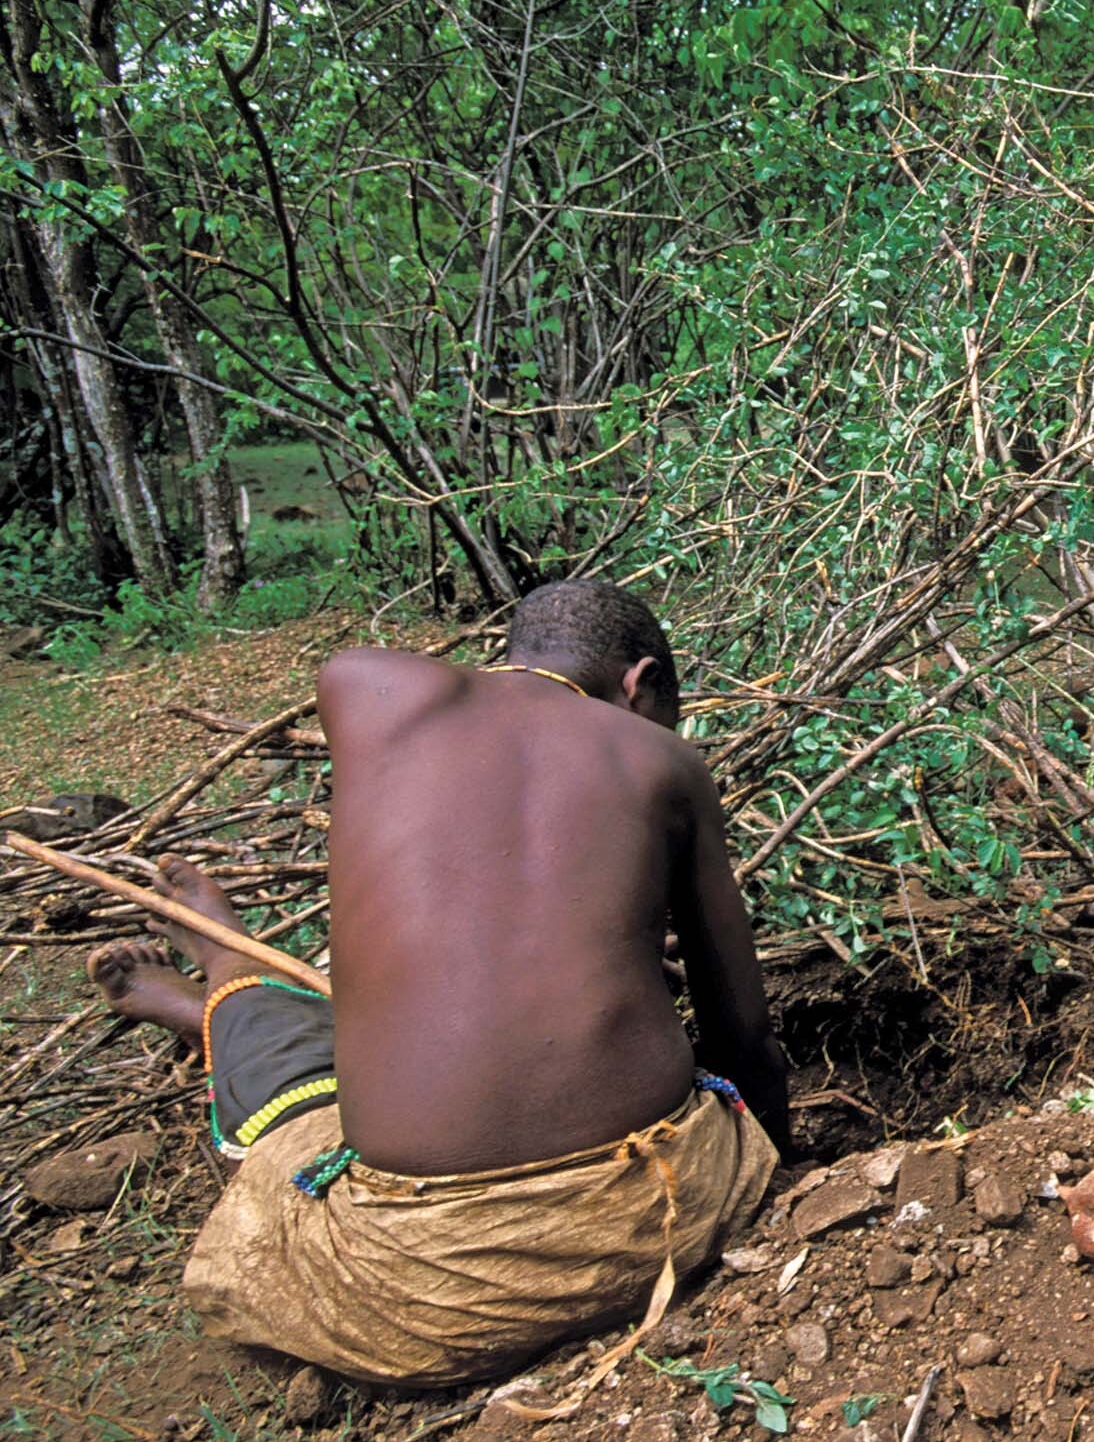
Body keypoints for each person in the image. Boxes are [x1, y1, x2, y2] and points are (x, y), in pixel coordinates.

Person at [86, 579, 789, 1386]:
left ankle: (230, 974)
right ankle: (222, 985)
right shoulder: (664, 757)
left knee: (311, 1088)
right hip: (657, 1217)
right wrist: (779, 1164)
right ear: (642, 685)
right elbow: (743, 1033)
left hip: (424, 1277)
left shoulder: (365, 687)